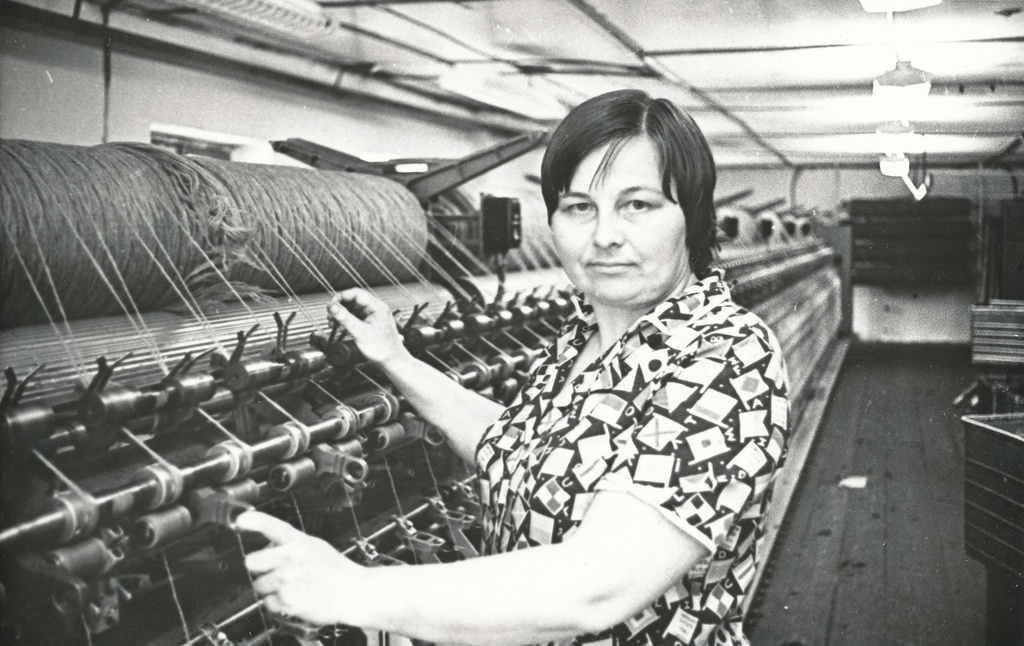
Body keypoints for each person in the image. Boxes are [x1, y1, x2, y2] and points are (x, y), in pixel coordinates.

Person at [237, 89, 790, 646]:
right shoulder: (581, 340)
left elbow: (598, 585)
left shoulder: (729, 354)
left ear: (692, 216)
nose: (604, 236)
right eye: (579, 208)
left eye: (638, 205)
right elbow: (512, 446)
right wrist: (394, 358)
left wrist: (355, 590)